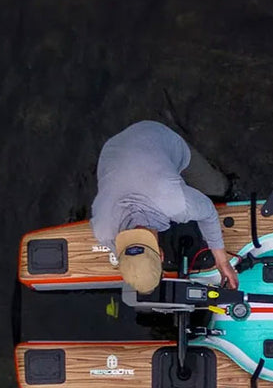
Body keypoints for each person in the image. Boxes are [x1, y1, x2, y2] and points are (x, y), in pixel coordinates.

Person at [90, 120, 238, 293]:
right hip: (112, 149)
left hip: (156, 136)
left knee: (219, 189)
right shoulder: (101, 229)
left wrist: (222, 261)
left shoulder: (176, 204)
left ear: (162, 255)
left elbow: (209, 212)